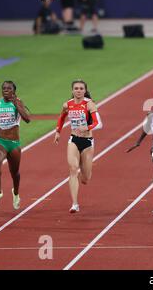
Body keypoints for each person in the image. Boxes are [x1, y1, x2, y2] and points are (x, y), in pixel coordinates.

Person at [54, 79, 103, 213]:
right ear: (72, 90)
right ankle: (75, 204)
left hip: (87, 142)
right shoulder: (67, 105)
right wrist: (58, 132)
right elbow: (61, 117)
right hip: (73, 140)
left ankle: (84, 172)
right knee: (73, 169)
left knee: (86, 178)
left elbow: (97, 122)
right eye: (76, 88)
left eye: (81, 88)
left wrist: (87, 127)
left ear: (85, 91)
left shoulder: (89, 105)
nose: (79, 90)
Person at [0, 81, 31, 209]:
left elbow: (27, 119)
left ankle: (15, 193)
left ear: (13, 91)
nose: (5, 90)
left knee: (14, 173)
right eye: (4, 88)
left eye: (8, 88)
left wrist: (17, 105)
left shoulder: (18, 102)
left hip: (14, 143)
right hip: (0, 141)